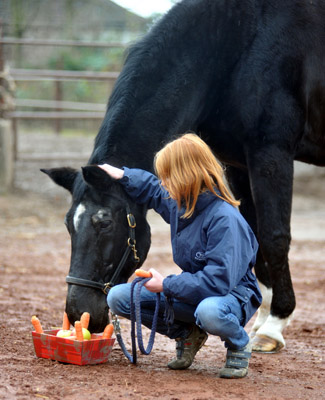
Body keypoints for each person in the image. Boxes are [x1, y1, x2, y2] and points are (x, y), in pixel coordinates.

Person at [99, 133, 262, 378]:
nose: (163, 183)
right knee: (119, 297)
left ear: (186, 176)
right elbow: (153, 190)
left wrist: (166, 284)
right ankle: (187, 333)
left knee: (210, 312)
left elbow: (217, 282)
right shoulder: (183, 203)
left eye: (168, 177)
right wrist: (123, 175)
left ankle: (238, 343)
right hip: (196, 289)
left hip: (230, 295)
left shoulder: (224, 220)